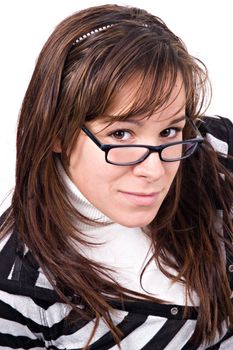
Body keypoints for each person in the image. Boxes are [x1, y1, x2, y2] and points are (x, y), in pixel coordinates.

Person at [0, 4, 233, 349]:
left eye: (169, 130)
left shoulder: (215, 152)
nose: (154, 171)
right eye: (121, 134)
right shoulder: (16, 284)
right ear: (56, 132)